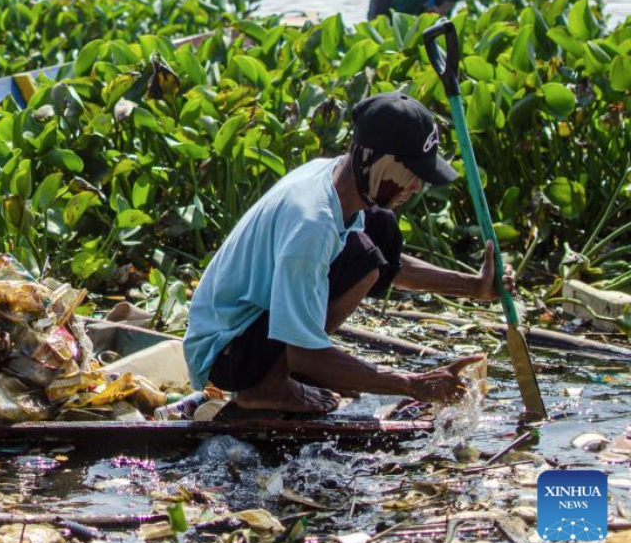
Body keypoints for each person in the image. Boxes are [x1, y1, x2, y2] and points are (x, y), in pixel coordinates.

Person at [184, 92, 512, 414]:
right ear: (373, 157)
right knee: (366, 259)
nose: (415, 188)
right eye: (411, 174)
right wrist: (411, 383)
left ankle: (287, 371)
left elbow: (391, 267)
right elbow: (304, 353)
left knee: (379, 229)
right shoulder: (312, 224)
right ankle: (265, 386)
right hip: (226, 353)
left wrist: (473, 287)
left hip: (253, 331)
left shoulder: (337, 178)